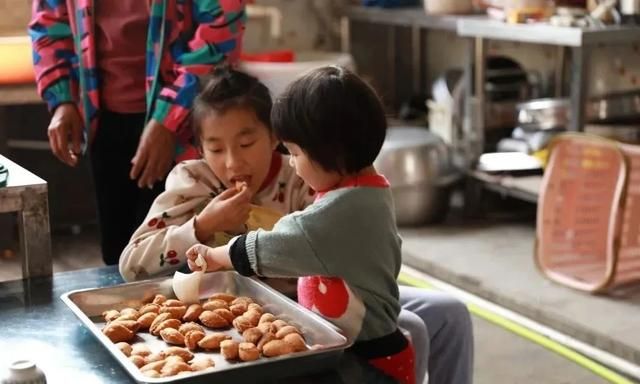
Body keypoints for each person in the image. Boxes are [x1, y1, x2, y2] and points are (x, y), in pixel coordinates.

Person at [119, 69, 473, 384]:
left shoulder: (307, 173)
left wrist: (232, 248)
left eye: (246, 143)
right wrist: (201, 226)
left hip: (321, 300)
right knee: (412, 329)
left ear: (276, 139)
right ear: (199, 149)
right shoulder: (193, 183)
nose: (232, 161)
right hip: (275, 309)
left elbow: (305, 243)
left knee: (448, 313)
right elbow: (132, 263)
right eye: (214, 148)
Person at [28, 0, 246, 265]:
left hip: (186, 126)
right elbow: (49, 24)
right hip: (102, 121)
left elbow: (220, 31)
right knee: (119, 254)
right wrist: (62, 99)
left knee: (187, 257)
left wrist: (168, 119)